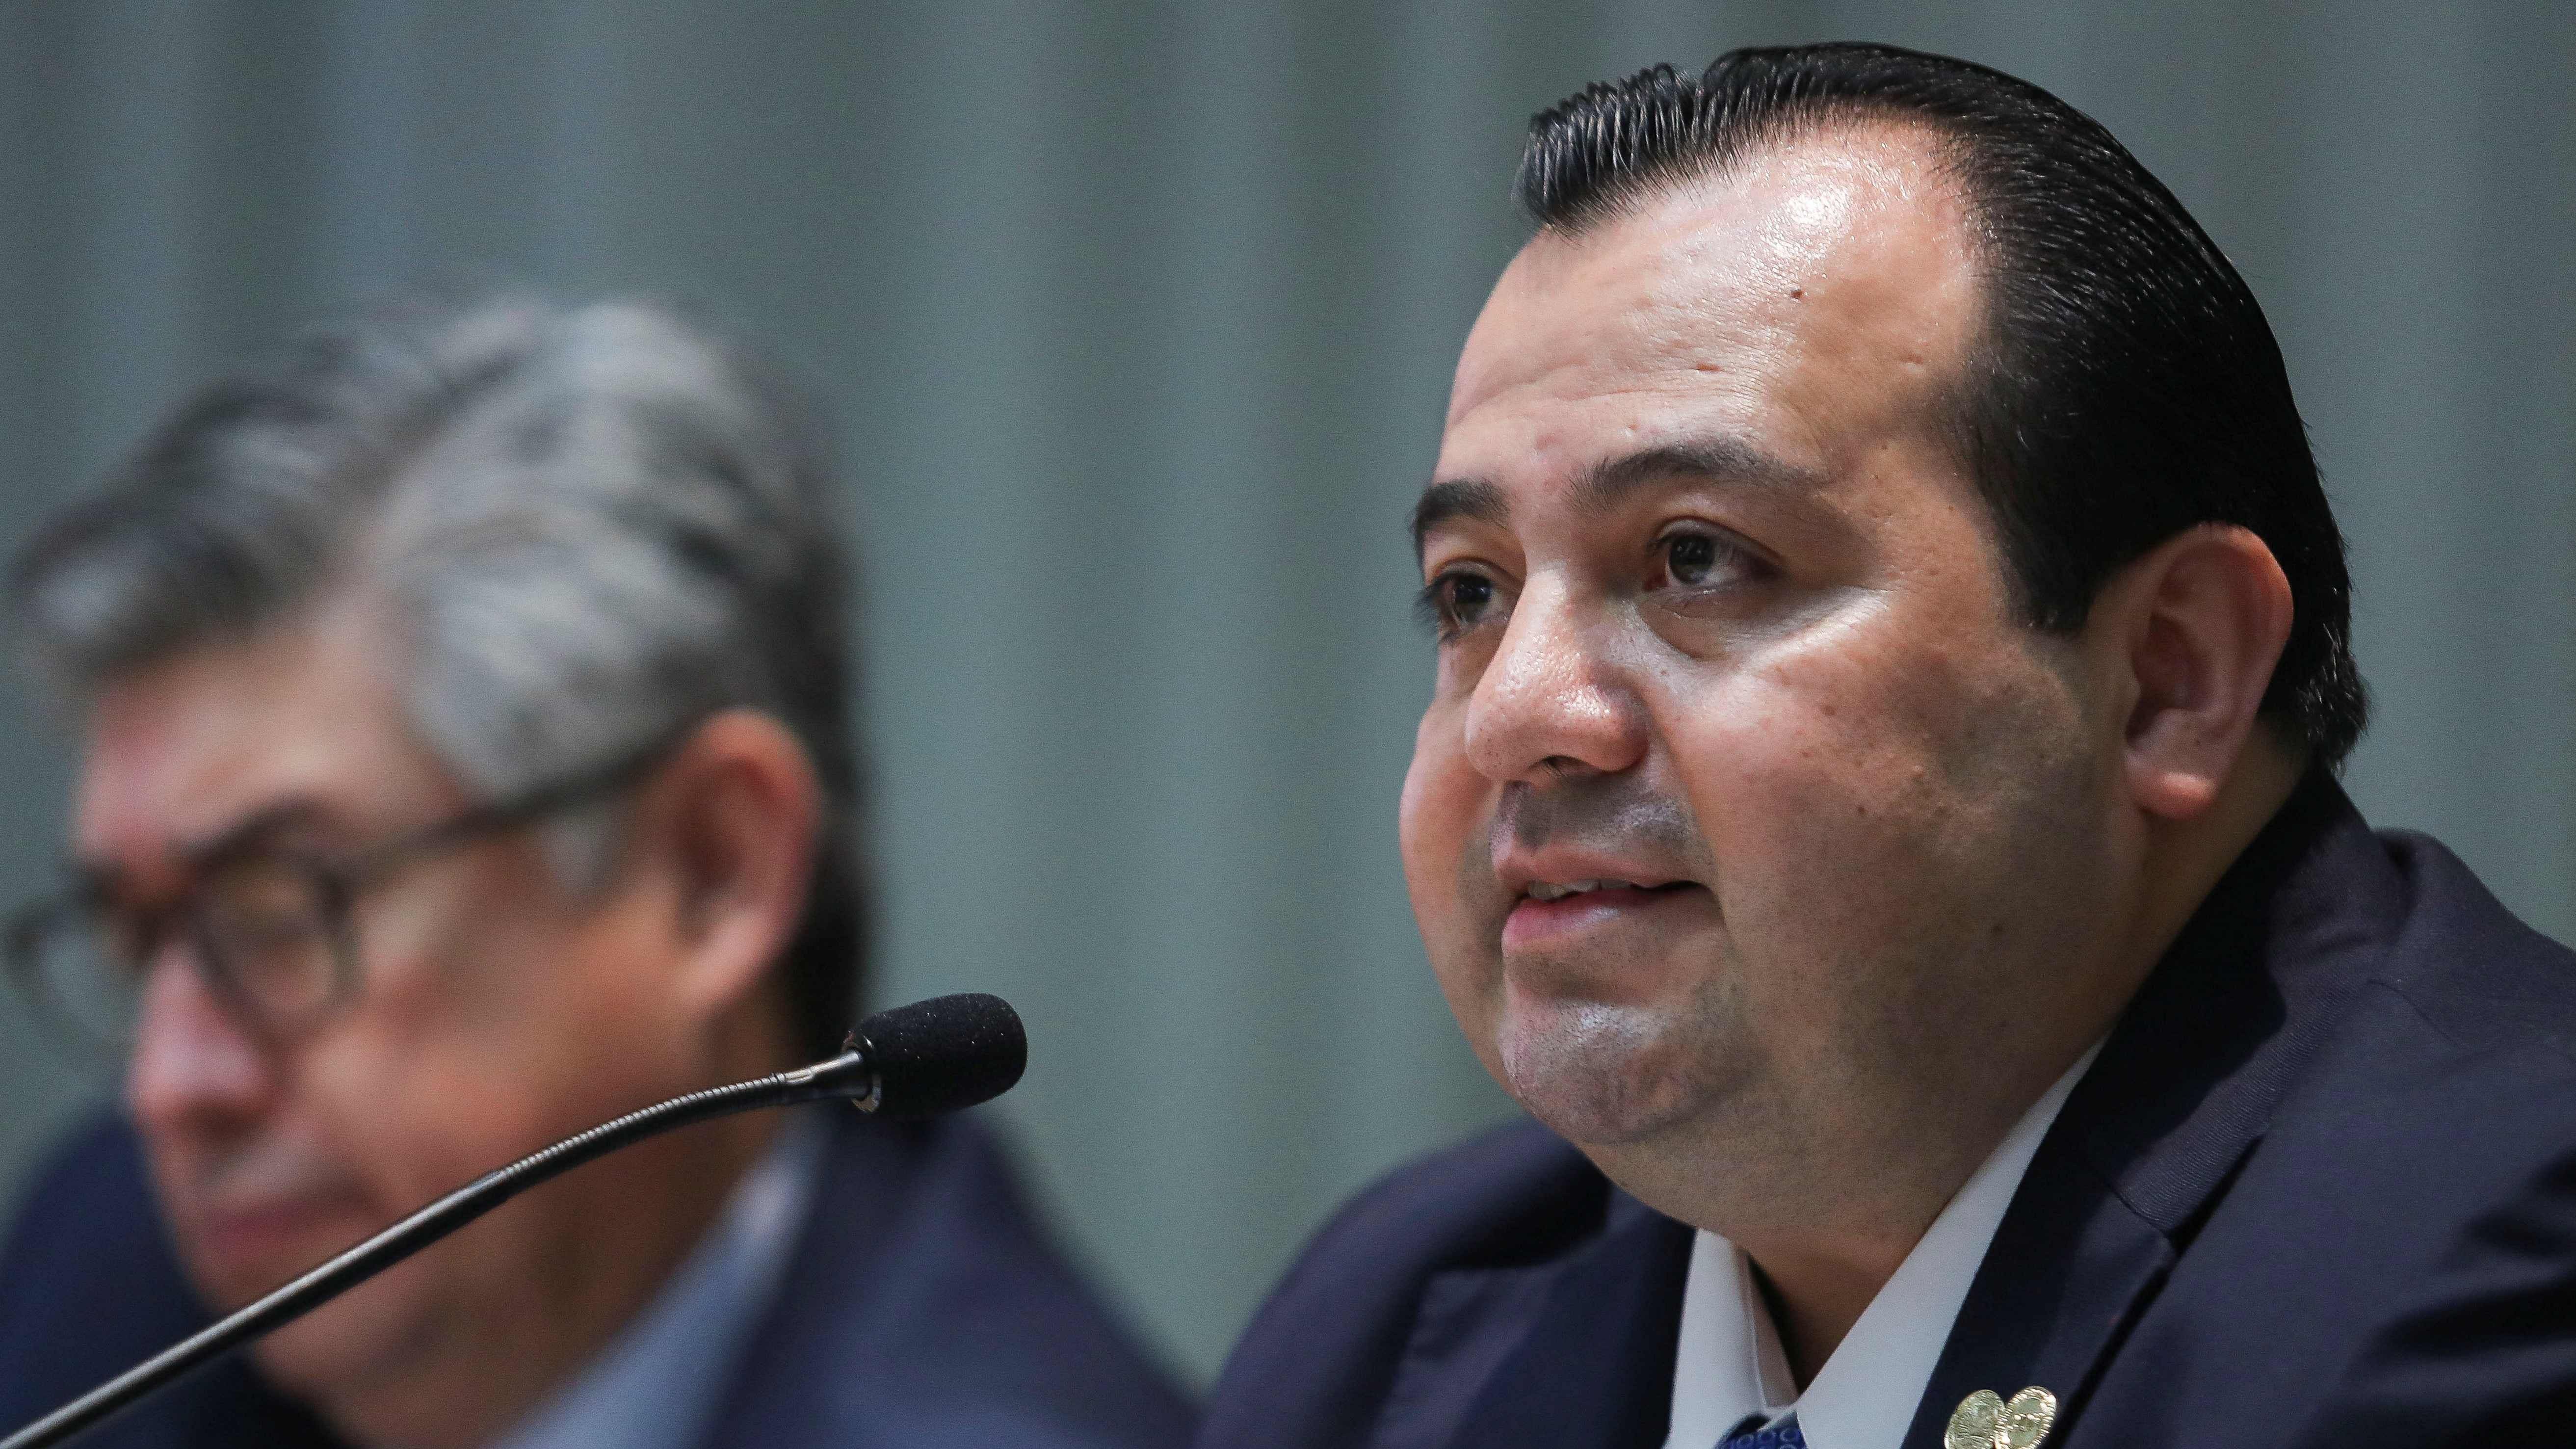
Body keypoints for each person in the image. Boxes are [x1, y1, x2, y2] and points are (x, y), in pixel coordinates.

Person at [1199, 42, 2576, 1449]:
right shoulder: (1387, 1325)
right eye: (1469, 593)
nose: (1514, 715)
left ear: (2170, 673)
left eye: (1695, 557)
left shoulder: (2507, 1280)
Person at [0, 297, 1195, 1449]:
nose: (171, 1088)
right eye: (139, 938)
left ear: (709, 869)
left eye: (278, 912)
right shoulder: (103, 1287)